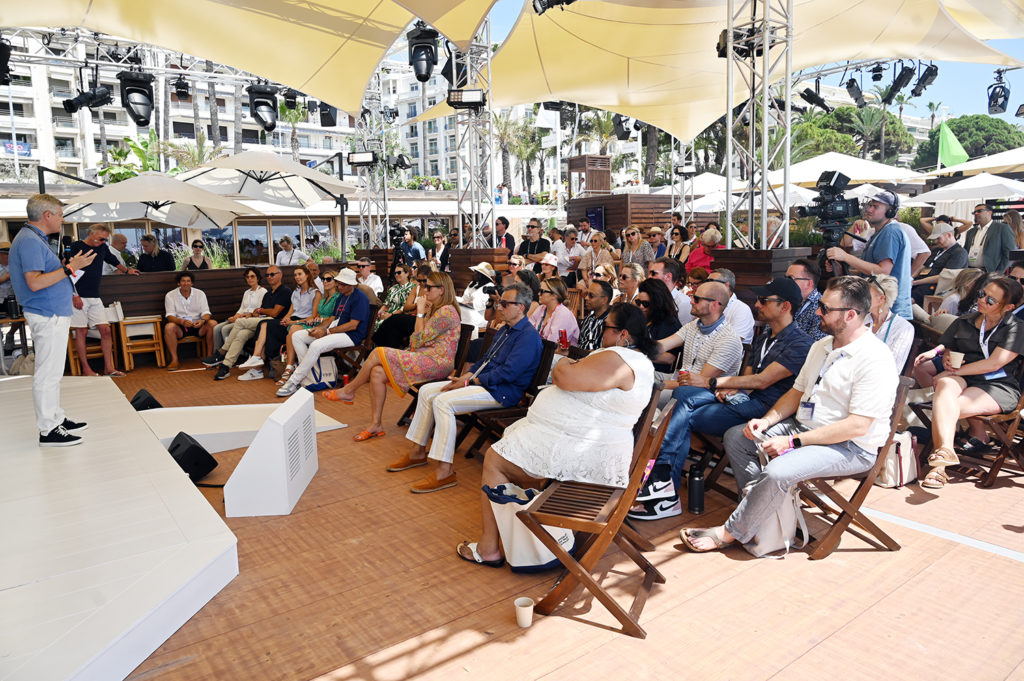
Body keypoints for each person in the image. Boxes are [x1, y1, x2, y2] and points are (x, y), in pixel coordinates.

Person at [684, 276, 898, 552]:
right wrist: (767, 421)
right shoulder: (822, 346)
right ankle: (761, 516)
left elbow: (857, 426)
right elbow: (796, 393)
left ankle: (732, 531)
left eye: (825, 308)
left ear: (851, 315)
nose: (817, 312)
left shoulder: (875, 358)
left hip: (849, 446)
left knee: (777, 470)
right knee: (737, 437)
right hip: (804, 427)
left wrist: (793, 443)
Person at [456, 303, 657, 567]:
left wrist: (563, 363)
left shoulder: (621, 359)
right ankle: (531, 535)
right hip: (584, 448)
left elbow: (566, 378)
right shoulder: (627, 360)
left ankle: (491, 547)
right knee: (512, 447)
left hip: (587, 466)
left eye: (606, 328)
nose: (600, 334)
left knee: (494, 459)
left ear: (624, 335)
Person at [632, 277, 813, 519]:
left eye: (763, 300)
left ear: (785, 306)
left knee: (679, 404)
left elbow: (762, 381)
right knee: (682, 397)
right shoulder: (764, 337)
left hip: (768, 411)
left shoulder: (800, 343)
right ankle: (663, 487)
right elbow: (749, 379)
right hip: (744, 403)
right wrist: (735, 389)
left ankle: (662, 486)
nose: (756, 305)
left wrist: (714, 383)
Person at [389, 283, 543, 494]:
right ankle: (417, 451)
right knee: (426, 392)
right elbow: (486, 360)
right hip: (483, 383)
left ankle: (445, 472)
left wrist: (470, 382)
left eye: (505, 304)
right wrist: (467, 376)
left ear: (521, 308)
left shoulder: (528, 336)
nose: (499, 307)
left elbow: (508, 374)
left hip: (502, 392)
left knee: (443, 402)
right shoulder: (506, 330)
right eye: (500, 302)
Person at [913, 275, 1024, 489]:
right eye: (982, 294)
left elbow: (994, 364)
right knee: (945, 388)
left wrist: (954, 371)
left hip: (997, 385)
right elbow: (949, 347)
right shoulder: (965, 321)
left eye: (991, 300)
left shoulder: (1016, 328)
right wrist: (947, 358)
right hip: (963, 378)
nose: (982, 300)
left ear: (1008, 307)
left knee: (944, 404)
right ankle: (944, 453)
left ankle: (938, 468)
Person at [9, 194, 96, 446]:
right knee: (47, 372)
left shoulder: (35, 239)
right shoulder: (29, 242)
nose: (62, 219)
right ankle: (48, 429)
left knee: (54, 371)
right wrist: (70, 268)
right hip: (46, 313)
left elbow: (47, 276)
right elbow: (34, 282)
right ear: (47, 215)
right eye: (59, 214)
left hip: (53, 311)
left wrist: (72, 266)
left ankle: (56, 417)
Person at [336, 272, 462, 440]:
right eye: (424, 285)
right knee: (377, 372)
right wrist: (423, 314)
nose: (425, 290)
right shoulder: (437, 309)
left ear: (442, 290)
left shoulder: (446, 311)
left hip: (436, 363)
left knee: (378, 352)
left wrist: (419, 313)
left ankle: (349, 390)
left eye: (429, 287)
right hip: (426, 358)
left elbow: (417, 338)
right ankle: (376, 424)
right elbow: (417, 340)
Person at [275, 269, 371, 397]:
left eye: (343, 284)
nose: (339, 286)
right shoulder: (342, 296)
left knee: (316, 345)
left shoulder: (360, 298)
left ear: (352, 285)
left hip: (352, 336)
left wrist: (327, 331)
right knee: (297, 336)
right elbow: (332, 318)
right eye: (338, 283)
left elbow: (353, 325)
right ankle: (310, 376)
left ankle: (294, 381)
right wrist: (319, 328)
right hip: (336, 331)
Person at [826, 190, 912, 319]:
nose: (869, 209)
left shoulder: (891, 232)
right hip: (879, 308)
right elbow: (870, 274)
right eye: (870, 205)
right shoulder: (881, 232)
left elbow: (882, 272)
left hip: (890, 311)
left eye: (875, 206)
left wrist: (846, 257)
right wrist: (843, 269)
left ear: (890, 212)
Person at [68, 224, 140, 376]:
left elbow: (112, 260)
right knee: (82, 331)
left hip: (95, 296)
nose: (103, 242)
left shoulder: (102, 247)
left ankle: (109, 367)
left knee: (105, 330)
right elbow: (67, 271)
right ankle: (87, 369)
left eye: (105, 239)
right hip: (77, 295)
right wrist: (74, 295)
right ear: (91, 234)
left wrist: (127, 271)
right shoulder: (76, 246)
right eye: (101, 239)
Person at [236, 264, 320, 379]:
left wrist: (293, 323)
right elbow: (291, 311)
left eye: (300, 274)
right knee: (264, 323)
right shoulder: (296, 292)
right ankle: (256, 359)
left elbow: (313, 317)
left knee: (268, 326)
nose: (297, 277)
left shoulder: (315, 293)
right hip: (292, 321)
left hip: (303, 323)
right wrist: (286, 319)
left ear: (307, 275)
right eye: (295, 275)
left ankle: (257, 367)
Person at [208, 266, 292, 379]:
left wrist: (260, 311)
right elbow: (259, 312)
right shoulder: (268, 294)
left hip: (275, 323)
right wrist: (254, 313)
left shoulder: (284, 291)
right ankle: (226, 366)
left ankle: (222, 352)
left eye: (272, 274)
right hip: (262, 321)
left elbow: (275, 313)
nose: (269, 277)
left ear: (280, 275)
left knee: (239, 323)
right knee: (241, 334)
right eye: (267, 275)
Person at [275, 269, 342, 386]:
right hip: (316, 324)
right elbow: (315, 316)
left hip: (326, 328)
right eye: (323, 279)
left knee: (293, 330)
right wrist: (312, 320)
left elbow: (334, 318)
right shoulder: (324, 298)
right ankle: (293, 367)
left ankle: (292, 368)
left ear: (336, 282)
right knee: (291, 330)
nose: (325, 282)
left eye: (328, 279)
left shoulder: (337, 297)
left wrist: (317, 320)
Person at [163, 271, 215, 370]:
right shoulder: (170, 295)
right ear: (178, 283)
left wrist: (202, 321)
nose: (186, 283)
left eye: (188, 281)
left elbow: (206, 312)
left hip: (198, 325)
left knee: (213, 324)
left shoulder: (200, 294)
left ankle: (209, 358)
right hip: (180, 327)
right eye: (183, 281)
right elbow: (170, 316)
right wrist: (181, 322)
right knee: (169, 327)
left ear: (192, 283)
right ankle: (174, 360)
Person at [911, 220, 970, 304]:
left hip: (936, 287)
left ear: (949, 235)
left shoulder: (959, 253)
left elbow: (943, 277)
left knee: (910, 298)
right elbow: (922, 266)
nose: (936, 241)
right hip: (919, 282)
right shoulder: (936, 250)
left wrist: (915, 282)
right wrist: (910, 277)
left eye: (938, 238)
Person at [866, 274, 914, 371]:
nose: (860, 300)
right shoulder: (859, 319)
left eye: (866, 296)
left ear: (882, 299)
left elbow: (894, 368)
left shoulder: (903, 328)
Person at [211, 267, 267, 352]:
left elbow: (259, 311)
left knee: (225, 329)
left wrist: (243, 316)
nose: (249, 279)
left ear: (258, 278)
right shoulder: (246, 292)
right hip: (241, 318)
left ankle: (226, 354)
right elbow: (241, 309)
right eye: (247, 277)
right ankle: (216, 352)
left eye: (252, 276)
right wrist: (234, 317)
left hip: (251, 320)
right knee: (216, 328)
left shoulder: (263, 291)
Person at [636, 278, 681, 373]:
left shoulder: (669, 323)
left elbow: (669, 358)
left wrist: (635, 352)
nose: (641, 307)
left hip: (658, 373)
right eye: (639, 302)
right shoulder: (645, 318)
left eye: (646, 304)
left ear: (657, 303)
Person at [964, 203, 1016, 274]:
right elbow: (965, 251)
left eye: (979, 211)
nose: (976, 214)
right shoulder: (971, 232)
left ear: (990, 212)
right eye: (974, 212)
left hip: (990, 272)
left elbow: (1009, 254)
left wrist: (998, 272)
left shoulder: (1002, 228)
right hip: (970, 271)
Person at [708, 268, 755, 345]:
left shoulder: (741, 309)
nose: (706, 286)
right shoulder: (708, 304)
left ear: (726, 286)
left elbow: (732, 342)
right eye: (706, 282)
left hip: (727, 354)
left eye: (711, 282)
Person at [528, 276, 580, 345]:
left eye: (542, 291)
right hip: (541, 350)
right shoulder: (541, 308)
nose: (538, 294)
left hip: (557, 354)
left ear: (554, 295)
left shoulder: (563, 314)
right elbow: (528, 331)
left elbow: (552, 344)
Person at [786, 258, 825, 341]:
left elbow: (813, 344)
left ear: (808, 283)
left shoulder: (821, 307)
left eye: (790, 279)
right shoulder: (783, 301)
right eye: (785, 278)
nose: (785, 283)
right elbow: (768, 335)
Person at [648, 256, 692, 326]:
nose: (649, 277)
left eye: (653, 274)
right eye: (649, 273)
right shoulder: (650, 297)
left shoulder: (683, 302)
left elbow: (682, 333)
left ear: (668, 276)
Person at [375, 263, 414, 332]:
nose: (396, 275)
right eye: (395, 273)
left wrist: (390, 315)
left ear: (407, 274)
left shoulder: (412, 288)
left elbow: (404, 308)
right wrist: (380, 312)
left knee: (382, 325)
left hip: (400, 316)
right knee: (372, 324)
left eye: (399, 272)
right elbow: (386, 304)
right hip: (388, 313)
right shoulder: (393, 288)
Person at [459, 262, 497, 332]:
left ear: (481, 275)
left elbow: (478, 305)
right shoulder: (473, 283)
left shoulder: (489, 286)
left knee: (462, 313)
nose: (474, 274)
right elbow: (464, 298)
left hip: (480, 316)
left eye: (476, 272)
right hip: (468, 310)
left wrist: (467, 302)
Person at [578, 280, 613, 351]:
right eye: (586, 294)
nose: (586, 298)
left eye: (591, 295)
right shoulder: (587, 319)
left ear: (604, 300)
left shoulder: (612, 323)